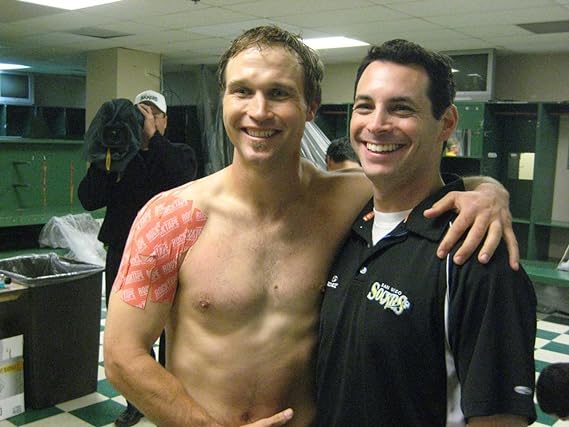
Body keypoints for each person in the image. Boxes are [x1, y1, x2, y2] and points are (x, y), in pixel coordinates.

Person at [104, 26, 519, 427]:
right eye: (242, 91)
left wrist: (488, 192)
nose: (259, 111)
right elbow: (123, 354)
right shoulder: (171, 218)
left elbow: (421, 182)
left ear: (311, 106)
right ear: (224, 98)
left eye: (279, 93)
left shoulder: (349, 198)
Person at [316, 39, 537, 426]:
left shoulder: (476, 251)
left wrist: (489, 193)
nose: (377, 124)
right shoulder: (346, 225)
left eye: (401, 108)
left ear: (447, 123)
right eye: (364, 106)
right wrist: (488, 186)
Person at [78, 89, 197, 427]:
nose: (145, 119)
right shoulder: (118, 157)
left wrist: (151, 138)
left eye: (152, 113)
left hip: (169, 257)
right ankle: (137, 401)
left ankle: (175, 395)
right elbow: (88, 199)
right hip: (124, 254)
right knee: (130, 335)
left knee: (172, 332)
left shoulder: (178, 152)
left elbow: (181, 177)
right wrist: (105, 159)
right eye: (140, 114)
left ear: (163, 120)